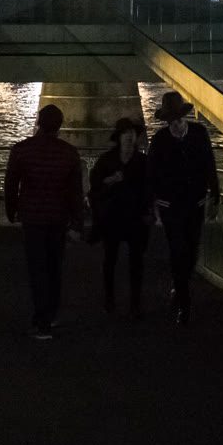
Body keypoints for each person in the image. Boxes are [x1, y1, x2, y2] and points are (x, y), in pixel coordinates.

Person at [4, 104, 86, 339]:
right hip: (58, 218)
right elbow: (75, 193)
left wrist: (11, 211)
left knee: (37, 269)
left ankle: (41, 323)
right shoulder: (69, 153)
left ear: (38, 122)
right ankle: (51, 314)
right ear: (59, 126)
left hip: (32, 217)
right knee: (54, 267)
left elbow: (11, 184)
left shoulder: (21, 150)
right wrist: (77, 223)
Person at [147, 91, 218, 325]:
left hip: (195, 203)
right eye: (171, 121)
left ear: (184, 117)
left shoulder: (199, 133)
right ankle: (184, 305)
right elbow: (152, 173)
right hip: (171, 205)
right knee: (178, 250)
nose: (175, 125)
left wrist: (215, 194)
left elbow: (209, 164)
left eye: (177, 119)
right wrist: (154, 202)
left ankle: (179, 288)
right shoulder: (160, 140)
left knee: (191, 252)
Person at [89, 117, 150, 318]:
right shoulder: (107, 160)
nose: (129, 137)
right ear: (119, 137)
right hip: (112, 217)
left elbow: (149, 188)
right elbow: (95, 185)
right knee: (110, 260)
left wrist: (148, 210)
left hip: (135, 218)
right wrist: (111, 180)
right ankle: (109, 301)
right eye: (126, 133)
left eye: (132, 133)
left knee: (136, 263)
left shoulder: (142, 162)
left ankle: (135, 305)